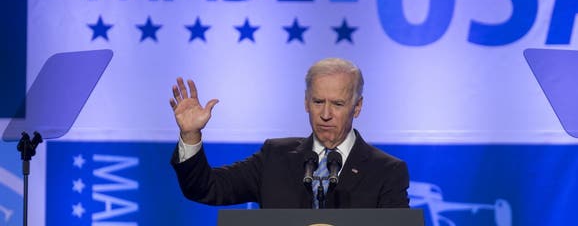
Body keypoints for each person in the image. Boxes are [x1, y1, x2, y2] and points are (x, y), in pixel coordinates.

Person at [170, 57, 409, 208]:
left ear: (357, 107)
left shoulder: (386, 171)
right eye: (317, 102)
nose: (325, 114)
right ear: (306, 103)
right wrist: (191, 135)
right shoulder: (275, 157)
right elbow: (206, 188)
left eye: (337, 104)